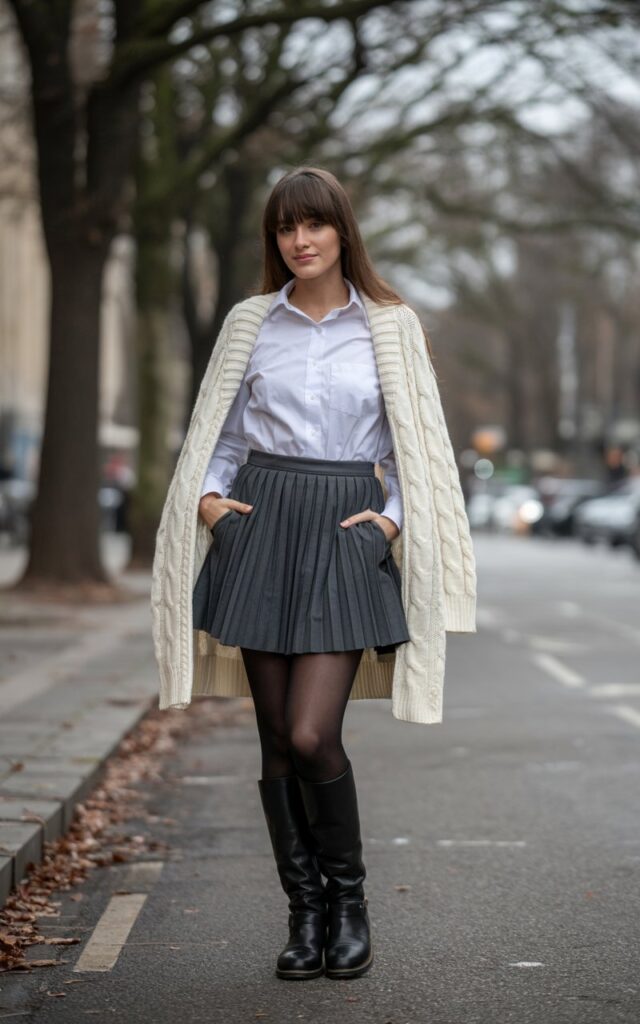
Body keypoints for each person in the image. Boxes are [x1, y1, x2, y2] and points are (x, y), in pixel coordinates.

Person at [151, 166, 477, 983]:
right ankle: (304, 917)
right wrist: (213, 505)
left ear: (341, 232)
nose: (300, 240)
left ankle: (349, 903)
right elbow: (216, 436)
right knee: (272, 739)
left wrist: (392, 520)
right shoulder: (250, 323)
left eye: (314, 225)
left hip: (343, 530)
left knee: (310, 733)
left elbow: (415, 447)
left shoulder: (392, 326)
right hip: (261, 523)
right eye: (286, 228)